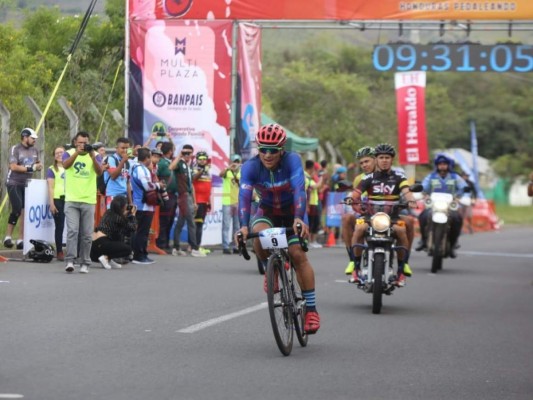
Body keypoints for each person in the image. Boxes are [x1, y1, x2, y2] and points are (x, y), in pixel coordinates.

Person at [236, 123, 320, 334]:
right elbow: (244, 198)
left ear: (281, 149)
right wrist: (243, 227)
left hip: (293, 212)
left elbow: (300, 190)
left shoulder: (292, 160)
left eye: (273, 150)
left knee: (297, 254)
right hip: (268, 212)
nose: (267, 154)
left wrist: (299, 218)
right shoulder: (250, 167)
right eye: (263, 149)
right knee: (259, 236)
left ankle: (311, 309)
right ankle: (270, 268)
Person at [349, 143, 417, 287]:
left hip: (392, 218)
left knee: (401, 230)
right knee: (359, 229)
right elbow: (356, 193)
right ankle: (355, 267)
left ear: (392, 160)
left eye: (387, 157)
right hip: (370, 217)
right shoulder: (368, 177)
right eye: (381, 157)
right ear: (376, 159)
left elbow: (406, 190)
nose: (384, 160)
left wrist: (411, 200)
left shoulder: (399, 176)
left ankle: (401, 269)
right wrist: (351, 199)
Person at [62, 131, 104, 274]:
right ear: (75, 143)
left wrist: (92, 155)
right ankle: (70, 260)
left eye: (85, 143)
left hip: (88, 200)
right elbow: (65, 165)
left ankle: (85, 262)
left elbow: (99, 172)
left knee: (86, 234)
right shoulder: (68, 153)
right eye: (80, 143)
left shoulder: (96, 155)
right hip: (71, 199)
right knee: (72, 231)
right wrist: (76, 154)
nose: (83, 145)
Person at [416, 153, 467, 258]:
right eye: (440, 164)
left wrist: (459, 197)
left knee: (457, 219)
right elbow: (423, 187)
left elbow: (464, 189)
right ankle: (423, 240)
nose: (442, 165)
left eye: (444, 164)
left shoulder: (455, 177)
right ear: (437, 165)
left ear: (448, 165)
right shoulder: (431, 177)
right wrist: (424, 194)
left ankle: (453, 244)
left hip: (449, 206)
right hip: (433, 206)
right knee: (423, 217)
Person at [4, 128, 43, 249]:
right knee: (17, 208)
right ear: (25, 137)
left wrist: (39, 166)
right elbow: (13, 166)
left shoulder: (35, 149)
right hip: (14, 183)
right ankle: (8, 237)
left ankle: (20, 239)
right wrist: (31, 168)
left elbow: (38, 164)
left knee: (24, 212)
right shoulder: (16, 149)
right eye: (32, 138)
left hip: (27, 184)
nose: (34, 141)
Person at [342, 146, 376, 275]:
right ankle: (352, 259)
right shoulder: (359, 179)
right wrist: (355, 205)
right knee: (346, 218)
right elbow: (355, 199)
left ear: (375, 160)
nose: (364, 165)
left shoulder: (385, 175)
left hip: (382, 216)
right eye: (361, 163)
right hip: (364, 214)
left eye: (366, 161)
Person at [170, 144, 205, 257]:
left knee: (180, 223)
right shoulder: (180, 163)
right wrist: (179, 155)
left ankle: (176, 248)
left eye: (189, 153)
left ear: (192, 154)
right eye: (185, 152)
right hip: (183, 196)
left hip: (188, 196)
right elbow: (171, 167)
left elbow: (191, 185)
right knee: (191, 223)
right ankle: (194, 249)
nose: (187, 155)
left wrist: (194, 202)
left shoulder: (188, 166)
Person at [130, 147, 160, 264]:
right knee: (142, 232)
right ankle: (138, 256)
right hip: (142, 205)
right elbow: (147, 186)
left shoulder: (140, 168)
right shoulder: (141, 169)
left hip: (144, 205)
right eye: (150, 157)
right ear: (147, 158)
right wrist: (158, 186)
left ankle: (142, 254)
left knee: (143, 232)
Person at [91, 195, 137, 269]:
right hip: (102, 244)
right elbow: (133, 228)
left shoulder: (108, 212)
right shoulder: (118, 218)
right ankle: (106, 258)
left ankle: (109, 260)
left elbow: (119, 222)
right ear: (122, 207)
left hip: (93, 247)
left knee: (117, 235)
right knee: (128, 250)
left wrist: (124, 214)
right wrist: (133, 215)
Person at [46, 146, 66, 261]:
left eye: (61, 152)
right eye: (57, 153)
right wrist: (52, 203)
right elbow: (51, 187)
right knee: (60, 226)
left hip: (70, 198)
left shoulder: (70, 167)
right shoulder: (51, 169)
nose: (59, 155)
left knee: (74, 227)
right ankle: (59, 251)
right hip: (58, 199)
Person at [156, 142, 177, 250]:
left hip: (173, 195)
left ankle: (167, 243)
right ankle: (161, 244)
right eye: (173, 149)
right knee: (164, 220)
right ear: (170, 151)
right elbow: (157, 176)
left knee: (170, 220)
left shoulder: (171, 161)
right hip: (165, 195)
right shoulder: (162, 163)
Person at [220, 154, 241, 255]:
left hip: (237, 202)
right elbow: (220, 174)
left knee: (236, 227)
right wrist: (229, 167)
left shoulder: (241, 172)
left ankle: (235, 246)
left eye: (237, 161)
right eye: (234, 161)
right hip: (227, 202)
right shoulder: (227, 171)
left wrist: (236, 171)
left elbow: (242, 183)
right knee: (226, 225)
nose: (235, 163)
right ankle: (225, 246)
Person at [192, 150, 212, 255]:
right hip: (197, 201)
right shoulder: (195, 168)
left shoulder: (208, 170)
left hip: (205, 201)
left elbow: (208, 187)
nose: (203, 161)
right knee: (197, 224)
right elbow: (194, 179)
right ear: (197, 159)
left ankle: (197, 246)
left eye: (205, 159)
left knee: (200, 224)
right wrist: (201, 170)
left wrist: (209, 201)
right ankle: (195, 247)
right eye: (200, 159)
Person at [103, 137, 132, 207]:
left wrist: (130, 202)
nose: (125, 150)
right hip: (112, 195)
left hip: (123, 196)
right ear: (117, 148)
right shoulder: (111, 159)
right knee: (113, 217)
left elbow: (127, 182)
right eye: (123, 148)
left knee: (122, 218)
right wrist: (122, 161)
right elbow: (113, 176)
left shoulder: (127, 162)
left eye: (127, 148)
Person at [304, 160, 322, 248]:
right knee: (310, 223)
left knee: (314, 222)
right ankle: (308, 241)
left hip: (313, 202)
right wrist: (306, 205)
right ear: (311, 168)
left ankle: (311, 241)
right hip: (310, 203)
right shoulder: (305, 177)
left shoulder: (309, 177)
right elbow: (309, 190)